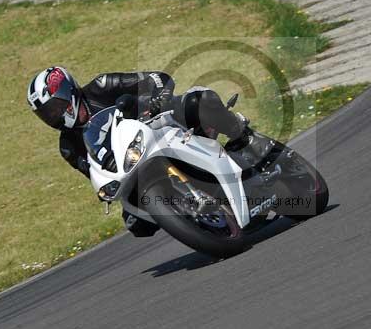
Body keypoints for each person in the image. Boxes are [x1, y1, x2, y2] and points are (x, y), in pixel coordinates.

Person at [26, 67, 254, 237]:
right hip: (136, 160)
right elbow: (93, 171)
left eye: (55, 107)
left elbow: (156, 78)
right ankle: (194, 217)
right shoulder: (68, 145)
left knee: (198, 101)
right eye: (47, 114)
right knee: (136, 223)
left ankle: (243, 136)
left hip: (165, 123)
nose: (54, 117)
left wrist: (159, 97)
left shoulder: (102, 85)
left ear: (69, 93)